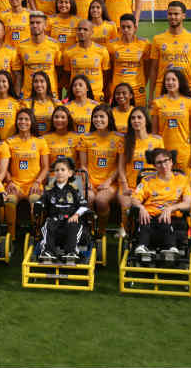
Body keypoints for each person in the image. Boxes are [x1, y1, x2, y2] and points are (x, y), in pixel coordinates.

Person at [130, 148, 191, 260]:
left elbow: (188, 203)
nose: (163, 165)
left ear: (171, 161)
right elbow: (134, 199)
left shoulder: (182, 180)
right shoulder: (147, 180)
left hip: (171, 218)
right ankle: (142, 248)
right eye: (159, 163)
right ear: (154, 165)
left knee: (165, 220)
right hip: (150, 217)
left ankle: (171, 249)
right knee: (145, 222)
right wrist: (141, 208)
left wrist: (171, 208)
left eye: (166, 161)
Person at [3, 108, 48, 240]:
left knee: (36, 201)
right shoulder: (9, 142)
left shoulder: (40, 141)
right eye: (20, 119)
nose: (23, 122)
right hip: (15, 184)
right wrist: (10, 181)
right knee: (9, 201)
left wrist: (38, 182)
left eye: (26, 119)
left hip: (34, 184)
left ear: (32, 122)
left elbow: (45, 167)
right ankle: (11, 236)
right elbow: (4, 167)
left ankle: (37, 234)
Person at [34, 156, 89, 263]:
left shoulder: (74, 190)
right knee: (48, 224)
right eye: (57, 170)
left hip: (70, 220)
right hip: (54, 221)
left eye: (63, 170)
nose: (59, 172)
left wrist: (76, 215)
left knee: (73, 225)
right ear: (54, 173)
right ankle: (48, 252)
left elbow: (84, 206)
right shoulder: (49, 190)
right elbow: (41, 201)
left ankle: (71, 252)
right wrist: (38, 204)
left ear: (70, 173)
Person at [117, 107, 162, 236]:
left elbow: (161, 165)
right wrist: (125, 186)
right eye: (133, 118)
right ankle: (126, 229)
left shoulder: (157, 140)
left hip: (150, 185)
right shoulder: (125, 141)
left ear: (146, 121)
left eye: (139, 117)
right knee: (126, 204)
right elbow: (121, 167)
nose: (136, 121)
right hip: (130, 185)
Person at [79, 104, 122, 236]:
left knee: (101, 200)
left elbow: (119, 166)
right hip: (90, 180)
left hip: (111, 182)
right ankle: (90, 229)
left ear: (109, 118)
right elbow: (83, 165)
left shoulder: (119, 138)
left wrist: (108, 181)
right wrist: (86, 182)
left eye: (102, 117)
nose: (98, 120)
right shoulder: (85, 138)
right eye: (95, 117)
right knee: (89, 198)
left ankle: (101, 231)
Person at [149, 1, 191, 104]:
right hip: (162, 87)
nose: (173, 17)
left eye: (176, 14)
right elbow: (154, 69)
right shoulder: (157, 39)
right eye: (170, 14)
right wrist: (151, 94)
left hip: (185, 87)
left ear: (183, 16)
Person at [150, 69, 191, 178]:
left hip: (183, 153)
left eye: (173, 80)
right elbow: (154, 132)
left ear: (179, 82)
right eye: (167, 80)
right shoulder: (157, 103)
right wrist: (155, 154)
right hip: (163, 154)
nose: (170, 82)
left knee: (185, 188)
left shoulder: (190, 102)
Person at [108, 14, 152, 107]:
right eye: (123, 27)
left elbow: (148, 68)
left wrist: (143, 82)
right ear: (119, 29)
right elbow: (110, 69)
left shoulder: (145, 44)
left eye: (129, 27)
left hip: (137, 89)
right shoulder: (112, 45)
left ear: (135, 28)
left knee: (139, 119)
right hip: (118, 90)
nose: (126, 30)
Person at [61, 19, 110, 102]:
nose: (81, 32)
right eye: (79, 29)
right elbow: (66, 76)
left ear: (92, 32)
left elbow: (107, 75)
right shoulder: (68, 52)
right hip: (76, 96)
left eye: (85, 29)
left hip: (96, 95)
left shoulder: (102, 51)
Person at [17, 10, 61, 100]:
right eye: (32, 23)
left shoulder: (54, 45)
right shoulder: (21, 46)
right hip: (28, 94)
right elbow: (18, 73)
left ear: (45, 25)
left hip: (50, 94)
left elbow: (60, 71)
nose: (35, 25)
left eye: (38, 23)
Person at [0, 70, 23, 139]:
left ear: (9, 83)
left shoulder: (17, 103)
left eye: (4, 81)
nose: (1, 84)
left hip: (12, 142)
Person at [26, 71, 60, 136]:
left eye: (42, 81)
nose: (39, 85)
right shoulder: (26, 104)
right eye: (36, 82)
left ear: (47, 83)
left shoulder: (56, 103)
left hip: (52, 140)